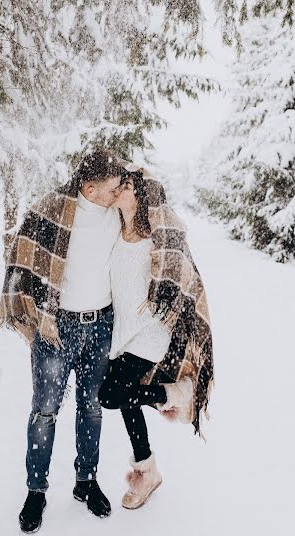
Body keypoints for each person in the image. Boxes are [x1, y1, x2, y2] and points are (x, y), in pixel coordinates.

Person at [0, 149, 124, 533]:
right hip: (57, 328)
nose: (119, 192)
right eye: (112, 187)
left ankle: (86, 481)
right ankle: (37, 489)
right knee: (45, 410)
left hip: (101, 324)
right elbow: (20, 260)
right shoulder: (49, 210)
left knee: (92, 407)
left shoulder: (118, 212)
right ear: (89, 187)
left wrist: (133, 173)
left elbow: (148, 193)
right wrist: (32, 315)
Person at [99, 168, 214, 510]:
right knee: (126, 402)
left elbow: (181, 274)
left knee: (110, 395)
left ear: (141, 195)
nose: (120, 189)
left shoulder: (160, 238)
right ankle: (147, 472)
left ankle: (178, 394)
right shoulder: (115, 230)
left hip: (149, 335)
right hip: (122, 332)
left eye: (128, 185)